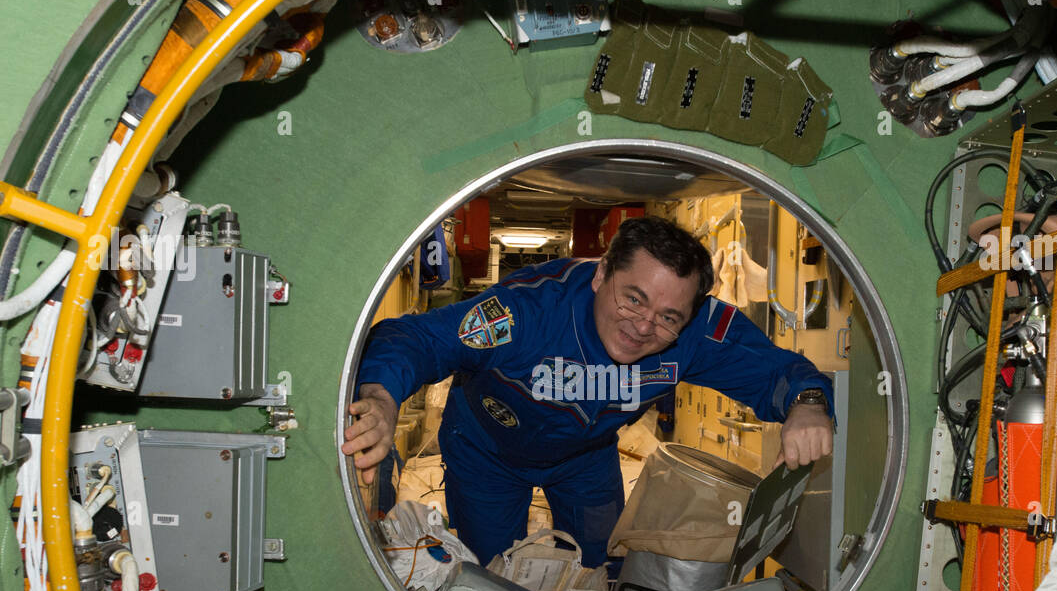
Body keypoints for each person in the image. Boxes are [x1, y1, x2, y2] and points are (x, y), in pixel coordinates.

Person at [343, 216, 834, 568]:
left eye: (668, 317)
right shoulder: (526, 312)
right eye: (633, 298)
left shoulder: (698, 332)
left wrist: (808, 403)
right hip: (487, 454)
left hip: (584, 456)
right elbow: (417, 338)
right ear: (601, 274)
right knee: (494, 576)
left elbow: (780, 371)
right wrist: (383, 400)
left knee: (600, 565)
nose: (644, 327)